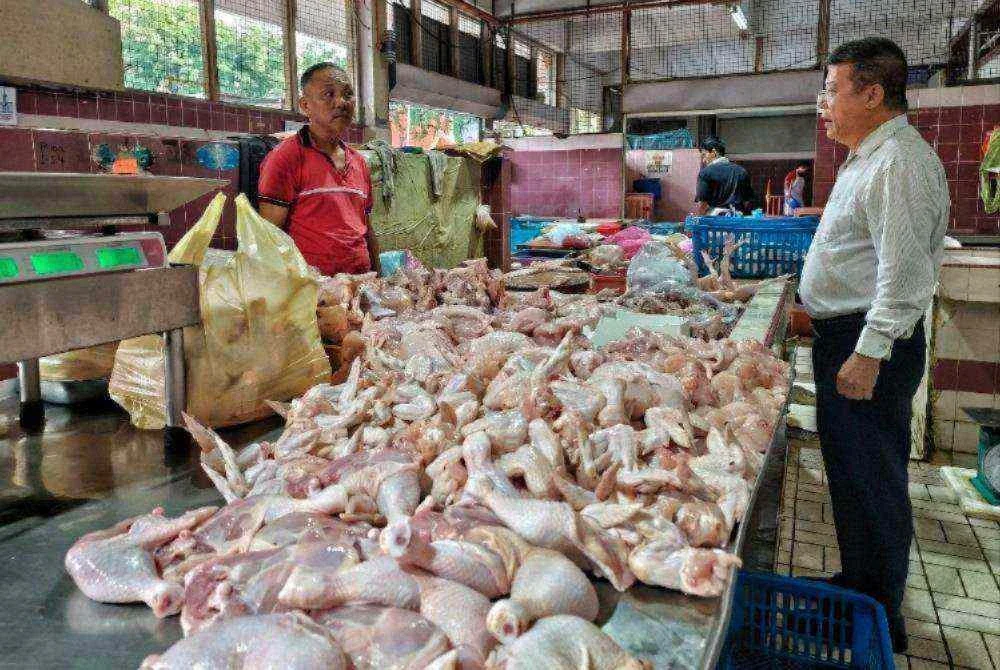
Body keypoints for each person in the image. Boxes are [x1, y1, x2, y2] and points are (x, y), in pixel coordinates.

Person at [800, 37, 948, 653]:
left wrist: (869, 352)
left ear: (871, 92)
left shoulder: (901, 164)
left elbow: (905, 276)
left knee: (874, 478)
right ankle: (859, 588)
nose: (823, 104)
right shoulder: (867, 157)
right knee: (851, 477)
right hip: (846, 338)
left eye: (832, 90)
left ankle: (882, 618)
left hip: (868, 348)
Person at [258, 62, 380, 276]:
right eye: (329, 94)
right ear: (306, 106)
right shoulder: (285, 158)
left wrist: (379, 277)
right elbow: (269, 237)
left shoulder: (359, 162)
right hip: (311, 291)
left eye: (347, 94)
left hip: (360, 285)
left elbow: (367, 230)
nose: (341, 103)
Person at [693, 137, 755, 215]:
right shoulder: (741, 171)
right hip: (737, 220)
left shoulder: (705, 173)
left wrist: (700, 218)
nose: (703, 160)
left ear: (713, 152)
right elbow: (747, 201)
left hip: (714, 220)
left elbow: (703, 204)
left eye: (704, 155)